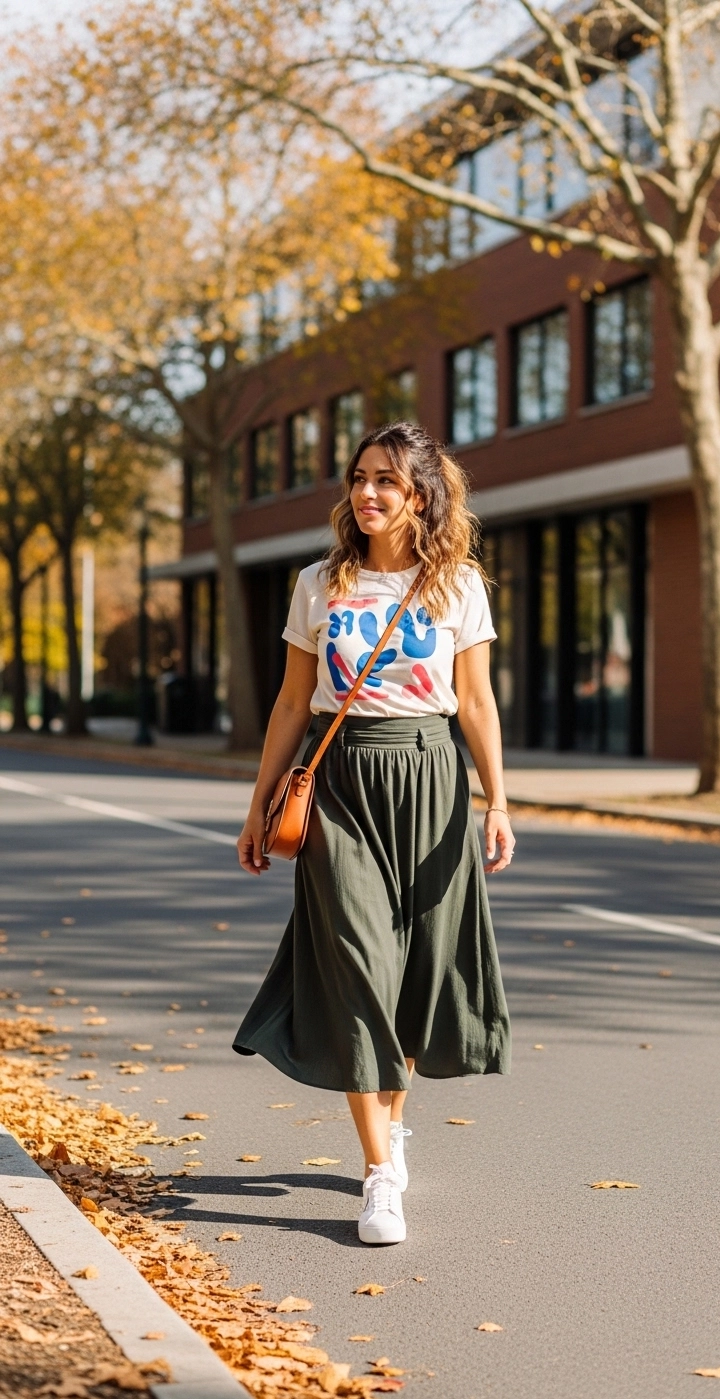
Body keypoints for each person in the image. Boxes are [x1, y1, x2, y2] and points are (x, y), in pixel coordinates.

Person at [234, 422, 514, 1245]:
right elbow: (294, 702)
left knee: (415, 972)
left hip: (430, 780)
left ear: (421, 496)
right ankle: (379, 1171)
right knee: (359, 964)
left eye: (387, 481)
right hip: (342, 783)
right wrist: (258, 805)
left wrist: (497, 801)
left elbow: (475, 702)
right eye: (359, 478)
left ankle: (392, 1121)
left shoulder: (457, 585)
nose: (367, 493)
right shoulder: (319, 583)